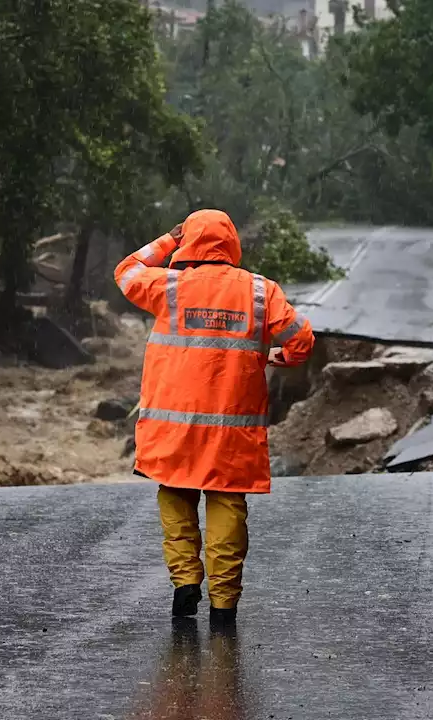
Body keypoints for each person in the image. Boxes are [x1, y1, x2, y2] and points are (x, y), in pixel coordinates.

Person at [114, 208, 316, 625]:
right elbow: (303, 339)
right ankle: (224, 604)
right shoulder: (261, 291)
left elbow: (126, 271)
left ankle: (186, 581)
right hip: (231, 430)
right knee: (226, 504)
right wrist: (277, 357)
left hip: (175, 426)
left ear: (190, 243)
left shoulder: (169, 286)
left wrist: (168, 241)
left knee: (175, 494)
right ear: (232, 244)